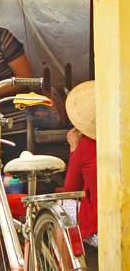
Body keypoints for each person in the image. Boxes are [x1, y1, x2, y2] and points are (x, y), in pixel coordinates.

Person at [62, 80, 97, 248]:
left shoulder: (86, 145)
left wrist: (74, 148)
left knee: (62, 205)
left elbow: (70, 190)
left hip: (101, 228)